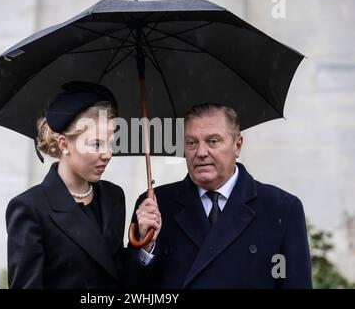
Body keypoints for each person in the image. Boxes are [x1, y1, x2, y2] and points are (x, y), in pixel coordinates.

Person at [132, 103, 312, 288]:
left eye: (213, 141)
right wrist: (147, 247)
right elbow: (133, 289)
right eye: (191, 143)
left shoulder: (280, 208)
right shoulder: (155, 204)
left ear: (238, 145)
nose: (201, 153)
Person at [6, 81, 160, 288]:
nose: (107, 154)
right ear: (64, 144)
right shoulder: (30, 208)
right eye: (96, 144)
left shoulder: (113, 197)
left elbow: (120, 278)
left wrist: (144, 243)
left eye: (111, 144)